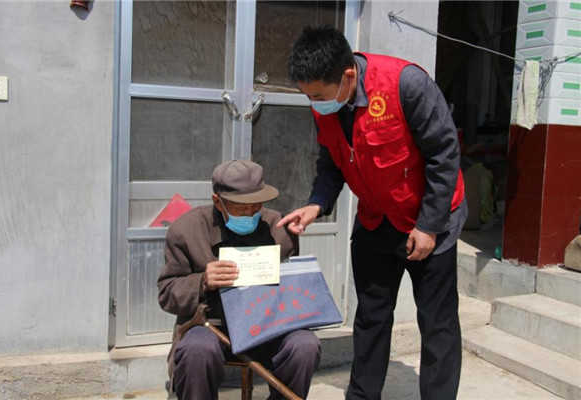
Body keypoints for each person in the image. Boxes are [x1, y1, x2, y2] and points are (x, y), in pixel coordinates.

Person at [278, 26, 468, 400]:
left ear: (348, 76)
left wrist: (429, 226)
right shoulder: (325, 104)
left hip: (430, 219)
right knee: (371, 317)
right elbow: (331, 163)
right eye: (308, 96)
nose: (314, 104)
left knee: (437, 323)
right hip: (375, 219)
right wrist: (317, 204)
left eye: (318, 96)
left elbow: (445, 155)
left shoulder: (405, 85)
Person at [157, 159, 321, 400]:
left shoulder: (278, 227)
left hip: (268, 325)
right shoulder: (186, 231)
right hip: (210, 326)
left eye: (257, 206)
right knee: (196, 351)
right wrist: (202, 282)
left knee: (304, 345)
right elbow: (167, 294)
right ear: (218, 201)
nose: (251, 214)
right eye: (241, 209)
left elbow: (289, 290)